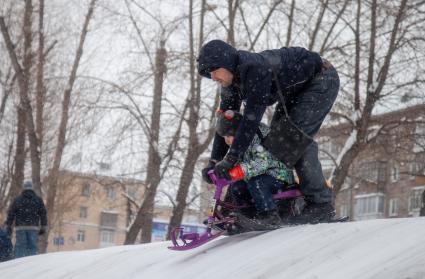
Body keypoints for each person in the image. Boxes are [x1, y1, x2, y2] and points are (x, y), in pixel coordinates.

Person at [198, 39, 340, 224]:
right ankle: (262, 204)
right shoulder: (229, 84)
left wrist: (230, 159)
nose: (213, 77)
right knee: (277, 142)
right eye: (209, 74)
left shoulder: (255, 68)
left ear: (226, 63)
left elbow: (251, 120)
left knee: (291, 141)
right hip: (292, 90)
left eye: (214, 70)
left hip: (320, 80)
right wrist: (215, 161)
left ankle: (320, 205)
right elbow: (224, 124)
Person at [213, 109, 294, 228]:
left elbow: (263, 161)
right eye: (225, 137)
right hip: (256, 176)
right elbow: (235, 161)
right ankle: (246, 216)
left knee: (256, 183)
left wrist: (239, 171)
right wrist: (221, 169)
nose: (227, 140)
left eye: (229, 136)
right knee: (237, 186)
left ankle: (269, 216)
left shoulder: (259, 135)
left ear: (238, 132)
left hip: (278, 174)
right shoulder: (239, 144)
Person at [6, 181, 47, 258]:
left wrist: (9, 226)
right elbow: (43, 213)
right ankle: (31, 264)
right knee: (32, 246)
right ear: (32, 188)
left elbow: (11, 213)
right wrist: (43, 226)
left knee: (20, 246)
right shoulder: (38, 200)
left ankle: (18, 264)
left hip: (20, 227)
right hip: (33, 227)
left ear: (23, 188)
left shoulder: (17, 200)